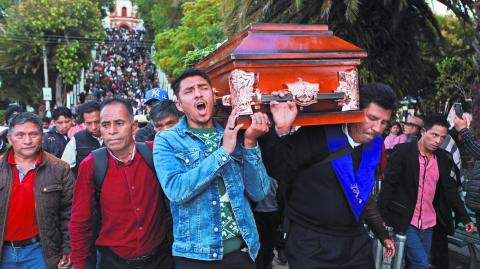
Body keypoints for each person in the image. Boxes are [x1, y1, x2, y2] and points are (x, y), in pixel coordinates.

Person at [259, 82, 397, 268]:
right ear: (355, 110)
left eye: (384, 122)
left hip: (354, 242)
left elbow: (360, 193)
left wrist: (382, 233)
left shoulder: (373, 148)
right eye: (372, 118)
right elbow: (276, 168)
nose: (378, 128)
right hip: (311, 242)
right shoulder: (317, 135)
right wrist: (281, 130)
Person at [153, 68, 270, 268]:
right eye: (189, 91)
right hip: (195, 257)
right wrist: (223, 152)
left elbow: (259, 193)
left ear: (213, 96)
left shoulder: (234, 132)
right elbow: (176, 191)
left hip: (242, 252)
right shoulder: (166, 140)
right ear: (179, 105)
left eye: (203, 88)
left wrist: (250, 142)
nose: (198, 93)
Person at [69, 98, 173, 269]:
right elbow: (80, 221)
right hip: (114, 262)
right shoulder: (91, 165)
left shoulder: (154, 153)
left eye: (119, 123)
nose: (112, 131)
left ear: (134, 126)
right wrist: (80, 264)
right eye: (105, 125)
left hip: (160, 258)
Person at [378, 113, 475, 269]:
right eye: (434, 135)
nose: (438, 141)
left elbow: (450, 190)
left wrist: (465, 218)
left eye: (442, 137)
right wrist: (382, 217)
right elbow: (389, 185)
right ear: (423, 131)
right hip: (406, 220)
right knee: (421, 263)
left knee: (414, 263)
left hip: (429, 222)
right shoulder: (403, 152)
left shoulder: (443, 158)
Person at [0, 112, 75, 269]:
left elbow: (69, 213)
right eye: (20, 135)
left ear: (42, 136)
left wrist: (68, 248)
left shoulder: (60, 169)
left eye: (33, 134)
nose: (27, 141)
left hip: (40, 252)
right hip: (3, 252)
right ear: (9, 138)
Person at [61, 101, 102, 175]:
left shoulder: (112, 136)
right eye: (89, 123)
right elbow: (64, 167)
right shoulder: (77, 139)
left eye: (97, 122)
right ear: (84, 122)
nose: (94, 127)